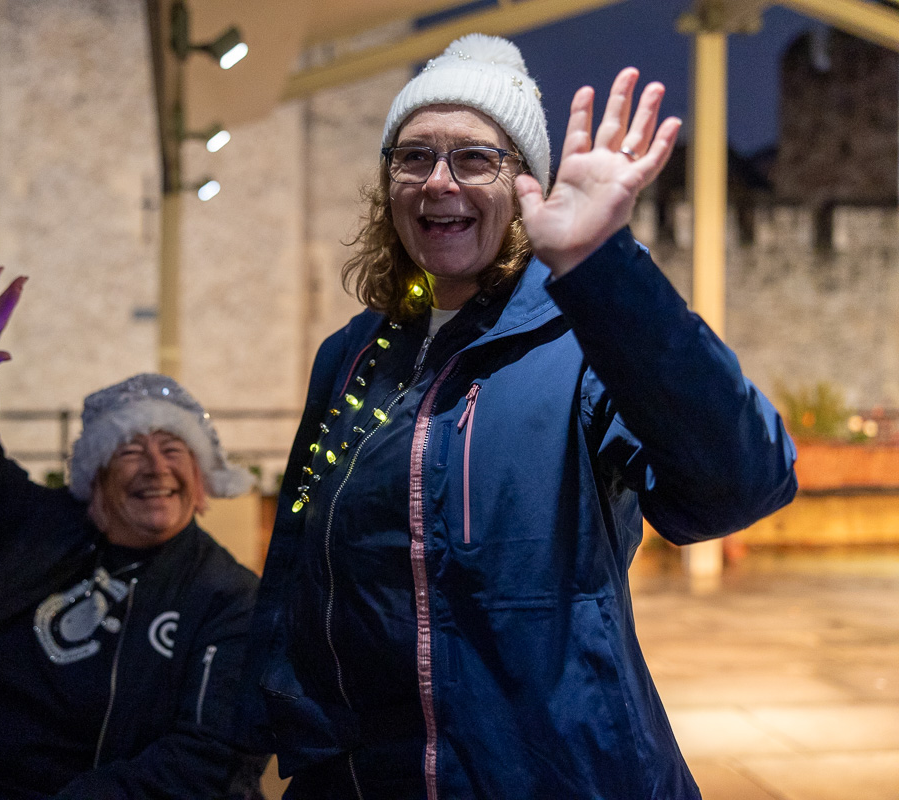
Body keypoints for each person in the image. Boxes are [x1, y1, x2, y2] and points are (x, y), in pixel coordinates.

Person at [242, 34, 798, 799]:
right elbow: (300, 554)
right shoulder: (351, 354)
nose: (440, 181)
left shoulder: (587, 340)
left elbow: (739, 489)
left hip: (565, 778)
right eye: (414, 156)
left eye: (475, 158)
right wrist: (275, 729)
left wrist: (603, 269)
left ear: (525, 186)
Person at [0, 269, 265, 799]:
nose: (155, 467)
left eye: (174, 449)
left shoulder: (228, 598)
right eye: (128, 450)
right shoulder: (43, 531)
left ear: (201, 482)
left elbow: (208, 757)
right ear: (95, 481)